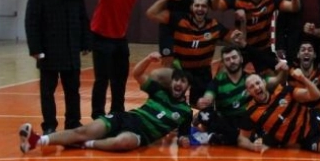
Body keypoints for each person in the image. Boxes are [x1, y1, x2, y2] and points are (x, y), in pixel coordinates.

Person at [19, 52, 193, 153]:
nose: (179, 84)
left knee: (123, 142)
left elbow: (183, 136)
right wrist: (148, 59)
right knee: (82, 130)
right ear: (171, 82)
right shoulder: (159, 92)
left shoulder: (185, 111)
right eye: (176, 80)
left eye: (183, 81)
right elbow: (137, 74)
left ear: (188, 86)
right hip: (125, 118)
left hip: (142, 134)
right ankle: (36, 140)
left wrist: (183, 140)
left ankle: (86, 144)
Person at [24, 0, 92, 135]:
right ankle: (49, 125)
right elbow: (31, 22)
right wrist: (35, 49)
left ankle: (73, 123)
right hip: (49, 50)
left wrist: (86, 42)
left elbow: (83, 18)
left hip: (71, 50)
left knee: (73, 90)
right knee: (47, 92)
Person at [146, 0, 243, 106]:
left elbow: (237, 41)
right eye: (197, 5)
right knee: (160, 80)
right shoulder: (179, 20)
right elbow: (151, 13)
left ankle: (215, 99)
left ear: (208, 9)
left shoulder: (215, 25)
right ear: (191, 7)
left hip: (202, 73)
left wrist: (240, 22)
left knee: (202, 104)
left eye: (204, 6)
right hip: (181, 70)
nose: (200, 9)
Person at [90, 0, 154, 119]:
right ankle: (97, 114)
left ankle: (117, 111)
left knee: (120, 78)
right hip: (101, 37)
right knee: (102, 79)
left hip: (120, 39)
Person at [194, 45, 286, 146]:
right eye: (227, 59)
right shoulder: (217, 81)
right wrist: (203, 102)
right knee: (205, 114)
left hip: (248, 121)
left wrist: (284, 70)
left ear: (241, 59)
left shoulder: (251, 79)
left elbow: (275, 81)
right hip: (227, 122)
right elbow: (208, 97)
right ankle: (231, 138)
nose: (232, 61)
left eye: (234, 57)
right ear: (223, 63)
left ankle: (223, 138)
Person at [213, 0, 299, 74]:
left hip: (262, 49)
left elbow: (294, 8)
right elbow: (216, 8)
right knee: (228, 74)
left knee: (276, 74)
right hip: (242, 48)